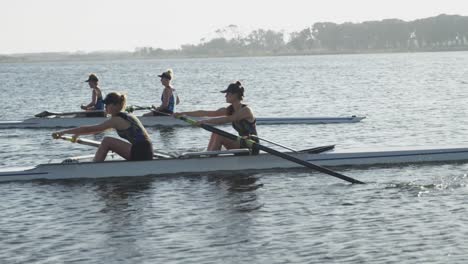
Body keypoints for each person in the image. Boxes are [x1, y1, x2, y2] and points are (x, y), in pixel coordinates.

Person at [52, 92, 153, 162]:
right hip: (147, 151)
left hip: (141, 153)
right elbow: (94, 130)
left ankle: (95, 167)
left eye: (107, 105)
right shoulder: (128, 115)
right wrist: (77, 133)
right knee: (109, 142)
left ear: (115, 105)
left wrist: (63, 132)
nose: (105, 107)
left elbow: (91, 129)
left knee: (107, 141)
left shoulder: (115, 120)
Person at [175, 81, 259, 155]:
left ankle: (209, 159)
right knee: (215, 132)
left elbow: (227, 119)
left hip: (252, 146)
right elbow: (206, 113)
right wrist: (183, 113)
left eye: (227, 93)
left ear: (235, 95)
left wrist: (204, 122)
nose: (225, 96)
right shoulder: (229, 110)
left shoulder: (246, 110)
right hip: (242, 144)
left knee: (220, 135)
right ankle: (208, 155)